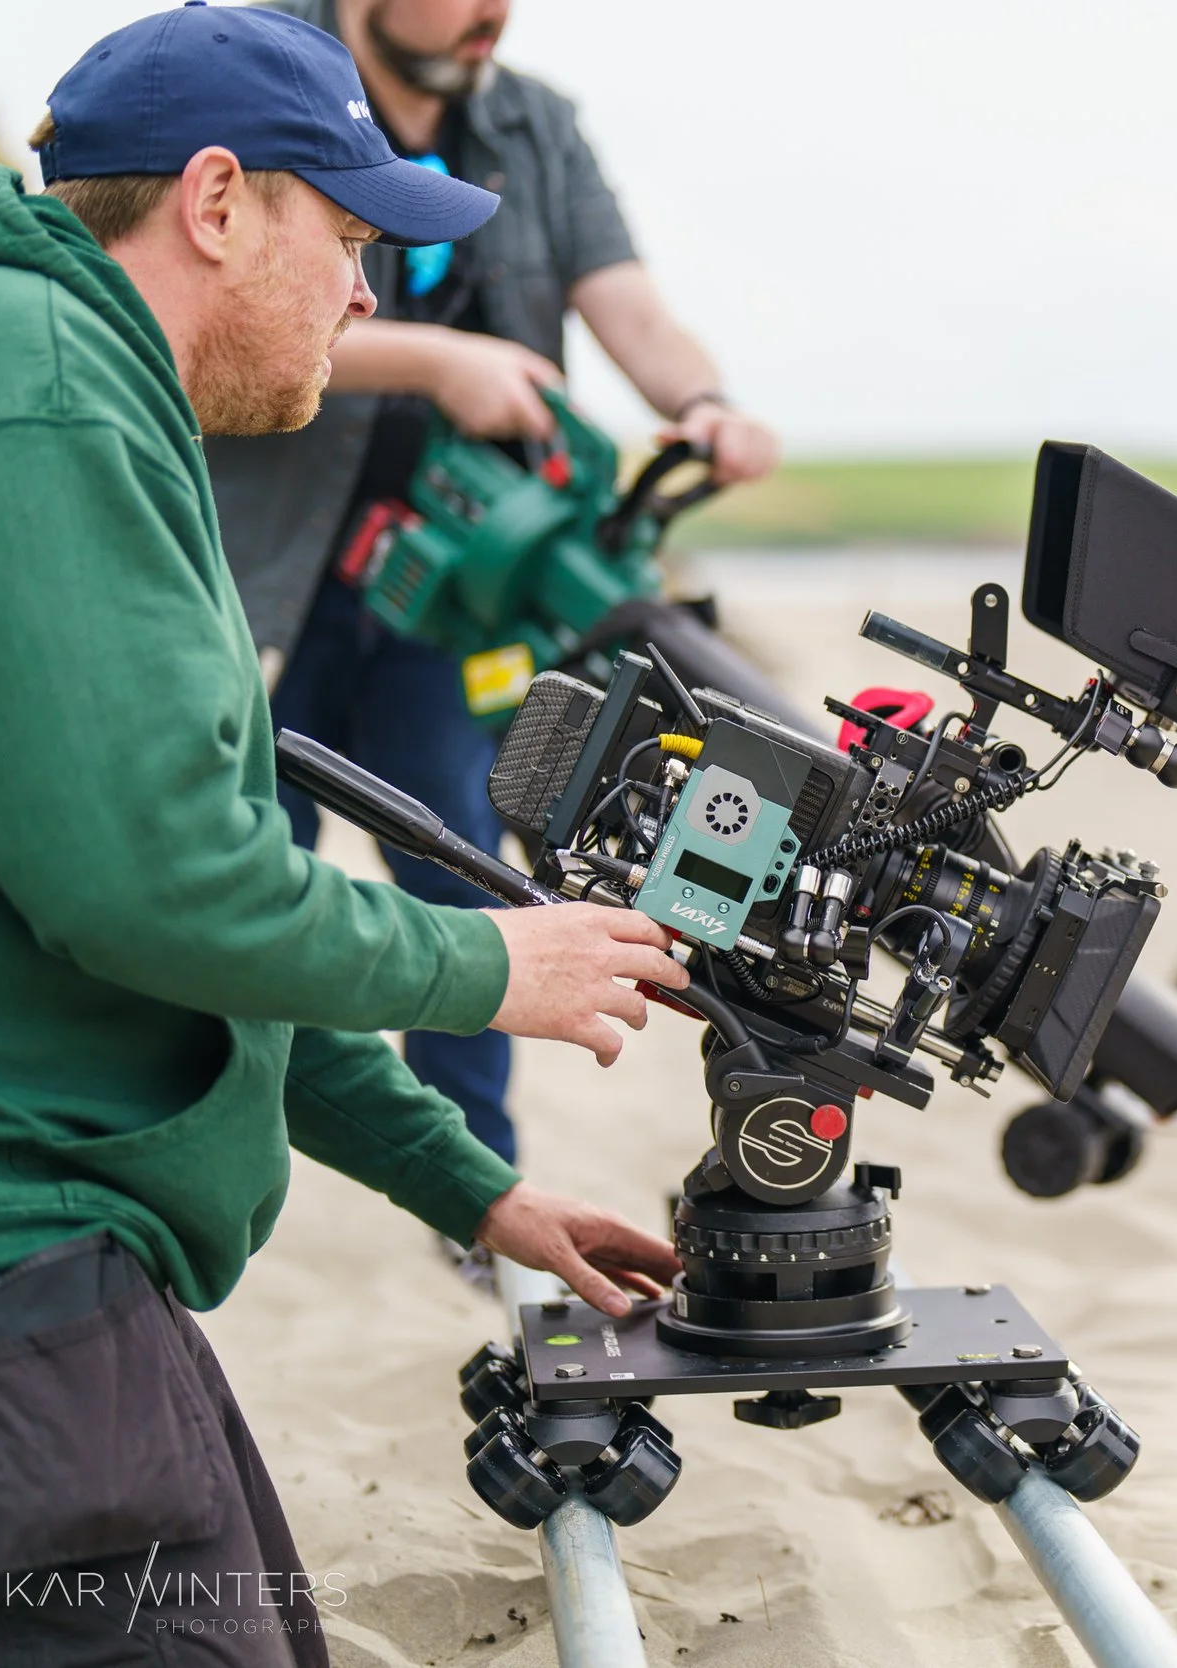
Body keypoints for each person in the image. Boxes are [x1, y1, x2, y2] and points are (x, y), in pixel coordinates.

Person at [0, 5, 695, 1658]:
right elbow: (158, 887)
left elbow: (215, 886)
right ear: (211, 202)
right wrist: (490, 963)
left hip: (36, 1230)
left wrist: (474, 1188)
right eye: (345, 236)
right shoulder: (22, 388)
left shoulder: (75, 382)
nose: (367, 293)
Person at [207, 0, 782, 1171]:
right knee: (242, 881)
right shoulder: (264, 74)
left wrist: (704, 405)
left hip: (459, 600)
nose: (493, 15)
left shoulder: (536, 126)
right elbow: (212, 310)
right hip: (266, 579)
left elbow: (632, 310)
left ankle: (475, 1187)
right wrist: (436, 360)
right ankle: (217, 1158)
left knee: (466, 871)